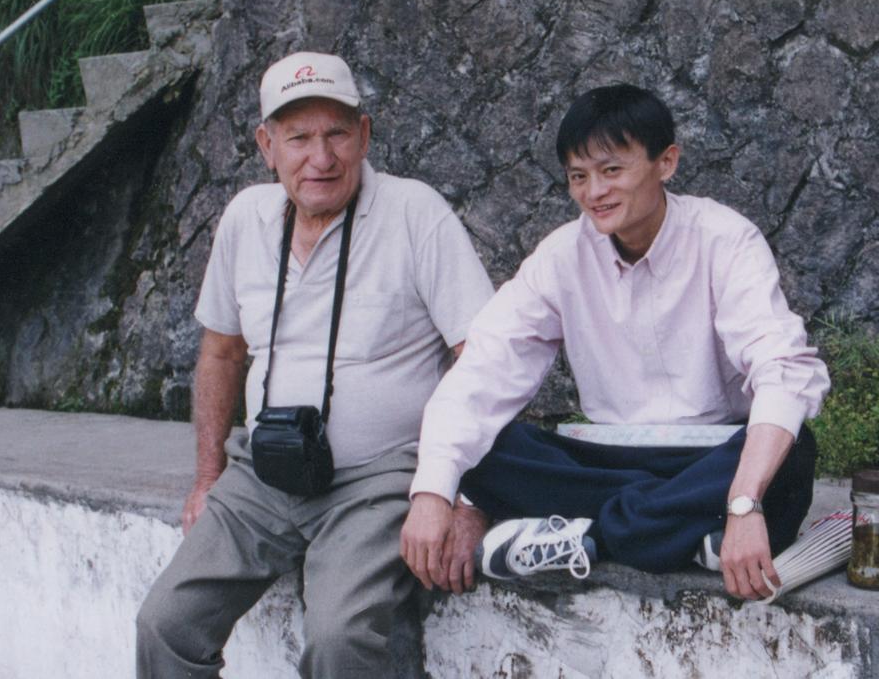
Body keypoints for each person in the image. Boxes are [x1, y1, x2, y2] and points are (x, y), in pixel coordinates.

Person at [136, 51, 493, 678]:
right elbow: (220, 353)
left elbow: (486, 359)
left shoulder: (415, 212)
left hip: (380, 478)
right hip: (263, 470)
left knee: (338, 639)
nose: (320, 158)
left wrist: (463, 498)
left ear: (365, 134)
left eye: (335, 134)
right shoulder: (245, 219)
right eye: (298, 138)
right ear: (265, 145)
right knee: (164, 623)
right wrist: (206, 475)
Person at [399, 84, 830, 601]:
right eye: (578, 177)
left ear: (666, 162)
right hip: (608, 458)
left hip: (712, 458)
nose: (593, 192)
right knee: (489, 451)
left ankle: (586, 535)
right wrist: (439, 498)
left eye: (611, 170)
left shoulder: (725, 240)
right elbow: (483, 369)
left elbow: (781, 366)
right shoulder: (561, 257)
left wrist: (742, 502)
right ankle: (678, 534)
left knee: (790, 453)